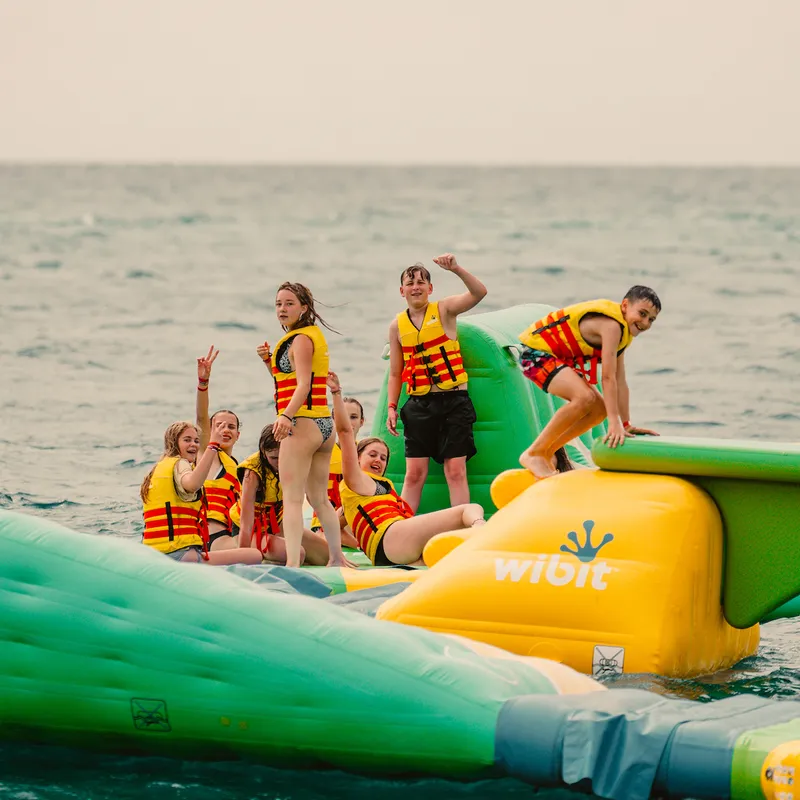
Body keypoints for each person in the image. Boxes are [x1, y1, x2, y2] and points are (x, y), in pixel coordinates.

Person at [329, 371, 486, 566]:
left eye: (383, 457)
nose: (378, 460)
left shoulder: (366, 494)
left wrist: (354, 545)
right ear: (357, 457)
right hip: (390, 539)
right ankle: (483, 533)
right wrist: (336, 392)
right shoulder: (355, 480)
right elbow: (344, 432)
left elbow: (332, 526)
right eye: (372, 455)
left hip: (391, 551)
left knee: (446, 560)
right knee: (469, 510)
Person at [517, 286, 661, 479]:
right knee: (583, 397)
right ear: (625, 305)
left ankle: (547, 451)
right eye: (642, 314)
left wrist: (625, 424)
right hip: (534, 355)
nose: (645, 323)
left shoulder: (623, 334)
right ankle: (534, 453)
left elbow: (619, 380)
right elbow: (607, 378)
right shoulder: (612, 326)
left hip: (555, 360)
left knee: (599, 410)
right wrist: (613, 423)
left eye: (651, 319)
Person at [386, 253, 487, 512]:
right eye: (410, 283)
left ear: (430, 288)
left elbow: (479, 293)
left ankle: (461, 529)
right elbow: (396, 372)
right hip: (418, 404)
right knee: (413, 475)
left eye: (421, 282)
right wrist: (391, 407)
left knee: (455, 470)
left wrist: (456, 269)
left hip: (454, 402)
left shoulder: (444, 310)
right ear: (402, 290)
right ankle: (401, 528)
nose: (416, 287)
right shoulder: (396, 326)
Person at [266, 282, 348, 568]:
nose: (282, 309)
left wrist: (286, 417)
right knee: (319, 499)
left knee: (291, 498)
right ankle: (337, 558)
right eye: (278, 304)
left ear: (304, 307)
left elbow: (303, 386)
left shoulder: (300, 339)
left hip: (303, 424)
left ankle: (291, 564)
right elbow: (291, 381)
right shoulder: (311, 336)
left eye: (289, 303)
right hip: (324, 426)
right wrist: (268, 362)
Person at [140, 420, 262, 565]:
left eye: (197, 441)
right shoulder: (180, 464)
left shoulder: (157, 469)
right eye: (187, 440)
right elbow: (192, 484)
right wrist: (213, 447)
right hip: (181, 554)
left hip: (153, 553)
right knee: (254, 555)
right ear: (173, 442)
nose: (194, 444)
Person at [231, 423, 329, 565]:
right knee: (298, 554)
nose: (280, 462)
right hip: (251, 531)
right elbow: (246, 521)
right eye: (274, 458)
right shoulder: (252, 473)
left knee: (326, 556)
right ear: (264, 453)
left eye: (283, 456)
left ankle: (273, 554)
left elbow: (315, 499)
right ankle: (267, 559)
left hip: (278, 525)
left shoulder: (295, 461)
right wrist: (243, 556)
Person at [195, 346, 243, 551]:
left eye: (231, 427)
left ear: (238, 435)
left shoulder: (238, 467)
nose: (225, 430)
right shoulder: (209, 454)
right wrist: (203, 384)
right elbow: (201, 417)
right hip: (209, 538)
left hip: (229, 534)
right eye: (219, 425)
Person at [309, 394, 365, 548]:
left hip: (356, 521)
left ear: (362, 422)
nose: (347, 421)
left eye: (353, 417)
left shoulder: (369, 454)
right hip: (325, 521)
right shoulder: (320, 451)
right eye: (342, 416)